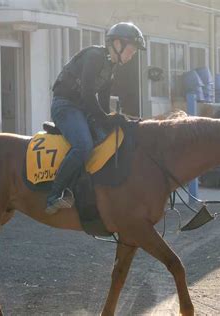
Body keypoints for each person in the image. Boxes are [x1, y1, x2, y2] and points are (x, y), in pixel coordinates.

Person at [46, 22, 146, 214]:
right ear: (117, 44)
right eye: (131, 50)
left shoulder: (111, 67)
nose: (132, 55)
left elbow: (103, 102)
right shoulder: (94, 56)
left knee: (110, 137)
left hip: (83, 109)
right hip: (65, 106)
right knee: (84, 146)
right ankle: (54, 195)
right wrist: (105, 117)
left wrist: (115, 119)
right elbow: (87, 94)